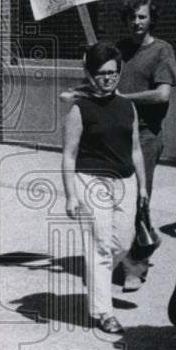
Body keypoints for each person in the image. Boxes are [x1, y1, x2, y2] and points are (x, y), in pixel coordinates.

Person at [61, 41, 147, 334]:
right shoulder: (79, 109)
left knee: (124, 241)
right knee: (99, 244)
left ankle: (97, 277)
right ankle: (103, 312)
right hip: (91, 181)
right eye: (101, 73)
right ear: (90, 74)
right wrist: (71, 195)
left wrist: (143, 186)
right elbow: (69, 154)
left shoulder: (127, 105)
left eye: (112, 72)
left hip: (126, 180)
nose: (108, 78)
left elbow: (136, 149)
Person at [115, 0, 176, 288]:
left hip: (145, 135)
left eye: (142, 16)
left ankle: (135, 268)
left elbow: (162, 94)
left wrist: (123, 99)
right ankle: (129, 250)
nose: (136, 22)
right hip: (115, 134)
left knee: (139, 199)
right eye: (131, 17)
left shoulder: (162, 50)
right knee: (116, 200)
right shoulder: (118, 50)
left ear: (151, 17)